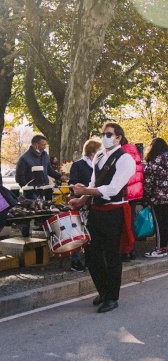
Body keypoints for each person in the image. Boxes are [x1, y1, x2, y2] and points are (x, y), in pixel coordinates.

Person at [69, 122, 136, 313]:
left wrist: (86, 191)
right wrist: (82, 199)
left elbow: (113, 188)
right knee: (92, 255)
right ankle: (103, 290)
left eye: (109, 134)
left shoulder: (125, 159)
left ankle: (112, 297)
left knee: (112, 256)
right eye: (103, 133)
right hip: (97, 212)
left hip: (114, 212)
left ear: (118, 138)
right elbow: (93, 183)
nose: (105, 136)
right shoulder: (99, 155)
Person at [15, 135, 65, 236]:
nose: (44, 147)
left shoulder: (45, 155)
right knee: (28, 216)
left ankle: (45, 238)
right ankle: (25, 238)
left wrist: (60, 177)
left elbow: (49, 170)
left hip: (45, 191)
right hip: (30, 193)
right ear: (35, 144)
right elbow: (19, 178)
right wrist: (28, 189)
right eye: (43, 145)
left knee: (46, 215)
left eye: (45, 145)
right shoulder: (24, 159)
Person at [68, 138, 103, 273]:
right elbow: (72, 183)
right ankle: (75, 261)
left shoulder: (100, 165)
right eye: (99, 150)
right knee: (79, 232)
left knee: (92, 234)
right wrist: (79, 187)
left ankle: (90, 260)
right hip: (82, 204)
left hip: (96, 203)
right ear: (92, 151)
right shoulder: (78, 165)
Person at [142, 138, 168, 258]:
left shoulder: (152, 163)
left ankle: (159, 248)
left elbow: (148, 183)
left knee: (158, 223)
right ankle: (164, 246)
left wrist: (145, 198)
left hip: (156, 197)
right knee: (164, 223)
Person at [119, 137, 144, 261]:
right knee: (131, 221)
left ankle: (125, 251)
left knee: (123, 224)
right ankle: (131, 250)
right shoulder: (135, 151)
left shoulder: (121, 153)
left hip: (125, 193)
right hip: (136, 192)